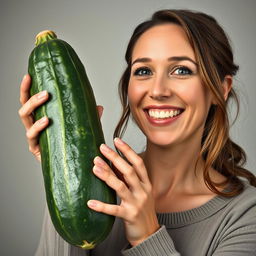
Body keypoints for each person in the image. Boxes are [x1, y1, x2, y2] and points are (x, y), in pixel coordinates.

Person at [18, 9, 256, 256]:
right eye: (143, 71)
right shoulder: (98, 183)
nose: (158, 90)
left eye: (182, 70)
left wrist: (148, 237)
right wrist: (60, 164)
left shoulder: (246, 216)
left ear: (221, 88)